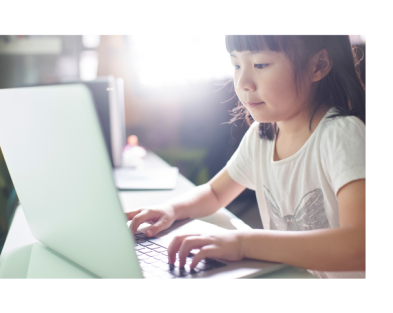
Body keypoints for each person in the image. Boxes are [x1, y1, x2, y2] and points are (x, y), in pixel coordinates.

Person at [126, 34, 365, 278]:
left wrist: (244, 243)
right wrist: (171, 209)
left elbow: (360, 245)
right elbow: (215, 192)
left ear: (319, 65)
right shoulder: (261, 136)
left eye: (261, 65)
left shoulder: (341, 136)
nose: (243, 82)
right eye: (236, 65)